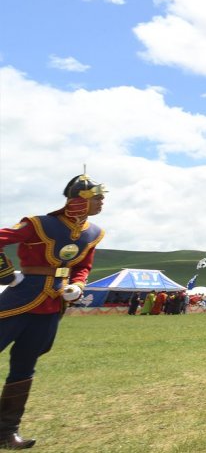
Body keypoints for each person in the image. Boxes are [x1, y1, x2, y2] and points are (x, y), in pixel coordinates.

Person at [0, 173, 106, 450]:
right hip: (20, 298)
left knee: (25, 366)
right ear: (78, 200)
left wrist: (79, 284)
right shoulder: (38, 224)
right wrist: (8, 276)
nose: (102, 201)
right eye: (97, 197)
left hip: (52, 303)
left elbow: (84, 266)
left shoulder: (93, 233)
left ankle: (6, 432)